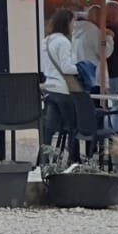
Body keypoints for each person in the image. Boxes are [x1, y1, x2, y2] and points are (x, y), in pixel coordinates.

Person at [40, 9, 80, 145]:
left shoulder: (45, 41)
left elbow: (44, 67)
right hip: (63, 89)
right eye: (73, 22)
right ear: (67, 23)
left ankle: (45, 160)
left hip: (50, 88)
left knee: (49, 128)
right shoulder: (63, 42)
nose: (74, 25)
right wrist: (81, 67)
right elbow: (66, 68)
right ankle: (73, 160)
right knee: (73, 127)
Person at [72, 6, 114, 93]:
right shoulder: (94, 32)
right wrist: (109, 37)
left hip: (82, 78)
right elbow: (104, 52)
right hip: (96, 80)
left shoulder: (76, 32)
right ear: (97, 17)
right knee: (96, 106)